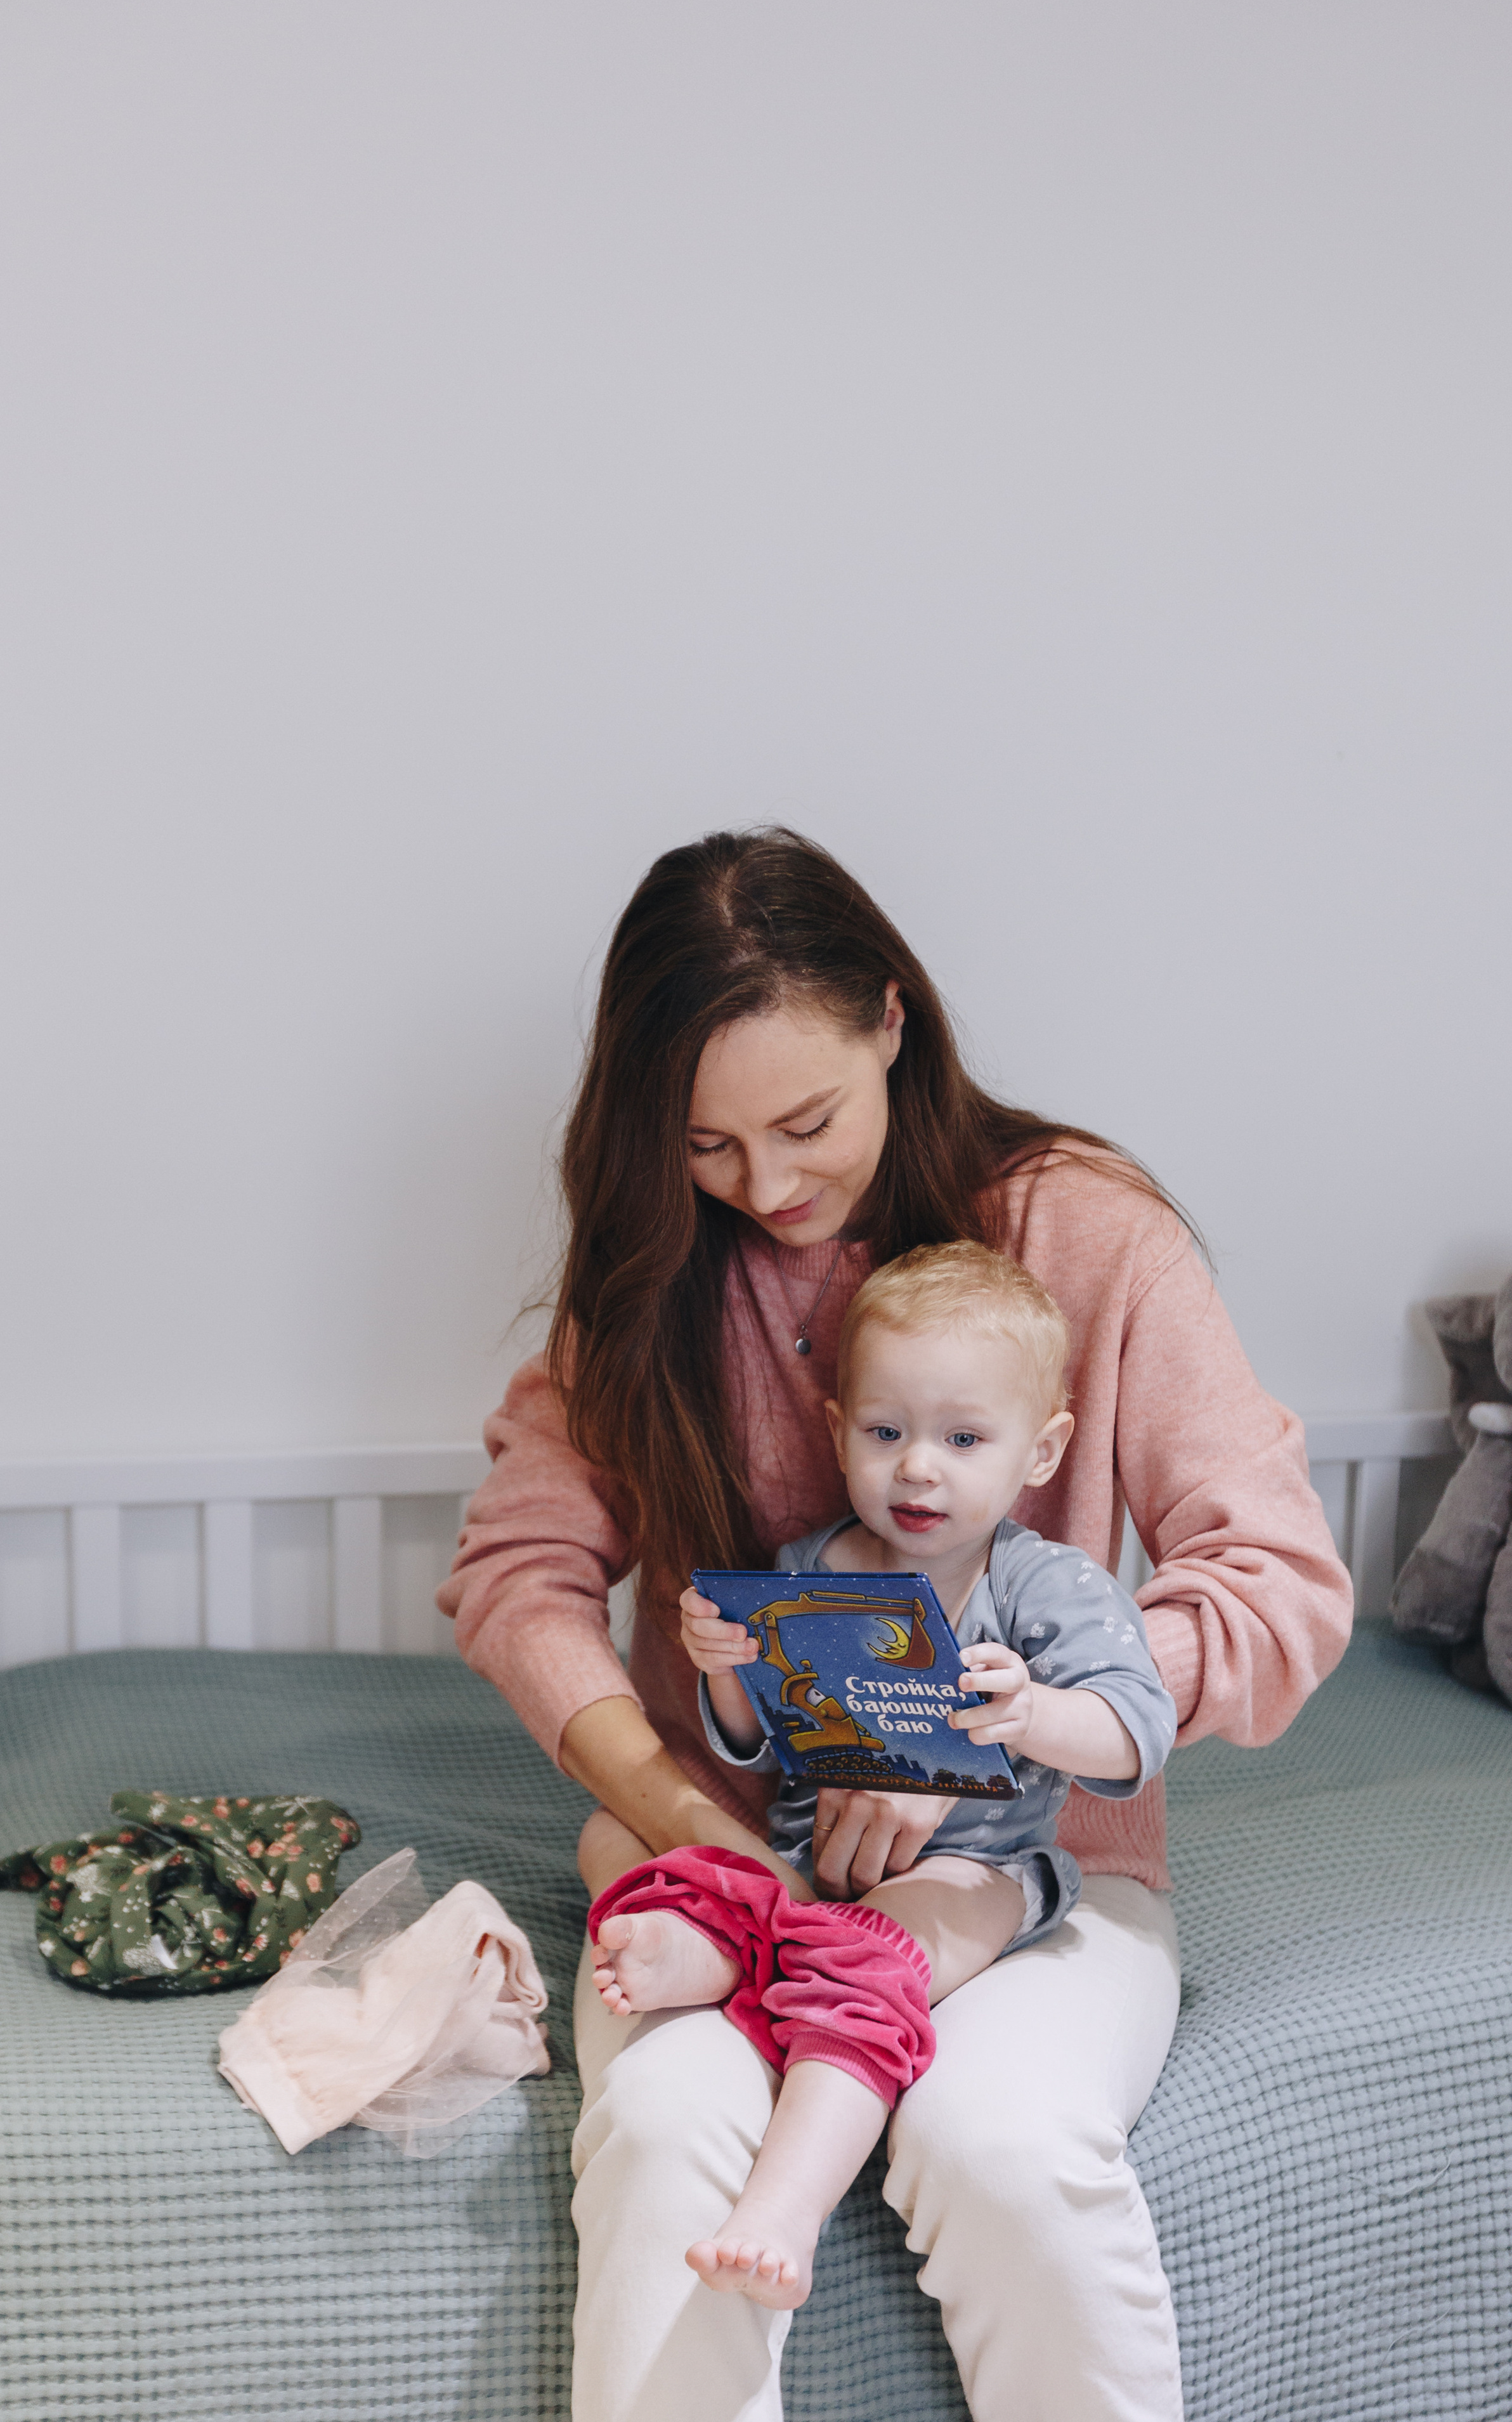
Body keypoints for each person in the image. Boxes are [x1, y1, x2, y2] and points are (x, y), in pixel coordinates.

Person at [438, 826, 1353, 2422]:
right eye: (708, 1146)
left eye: (804, 1124)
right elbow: (521, 1575)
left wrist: (979, 1741)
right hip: (729, 1856)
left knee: (1000, 2146)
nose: (769, 1189)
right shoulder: (656, 1273)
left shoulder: (1086, 1236)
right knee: (660, 2146)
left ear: (889, 1021)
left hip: (1024, 1865)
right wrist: (678, 1816)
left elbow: (1275, 1587)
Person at [582, 1239, 1180, 2313]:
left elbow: (1136, 1734)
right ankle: (759, 1934)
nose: (918, 1467)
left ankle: (783, 2200)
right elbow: (760, 1748)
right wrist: (723, 1674)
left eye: (963, 1438)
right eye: (886, 1432)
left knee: (875, 1954)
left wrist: (1034, 1714)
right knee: (608, 1836)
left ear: (1040, 1454)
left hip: (975, 1872)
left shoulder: (1044, 1584)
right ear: (836, 1430)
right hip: (817, 1861)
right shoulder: (809, 1569)